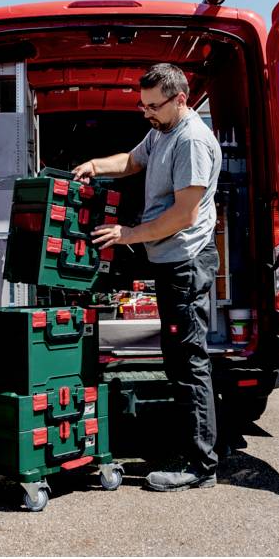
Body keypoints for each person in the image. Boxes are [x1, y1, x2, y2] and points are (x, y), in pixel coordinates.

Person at [73, 63, 222, 491]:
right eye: (143, 105)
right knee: (179, 359)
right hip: (167, 258)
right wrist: (95, 166)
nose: (146, 113)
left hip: (185, 263)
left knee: (188, 362)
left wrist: (127, 235)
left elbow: (183, 214)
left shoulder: (191, 140)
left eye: (153, 106)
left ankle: (200, 467)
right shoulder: (161, 131)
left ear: (180, 99)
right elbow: (133, 161)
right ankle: (198, 448)